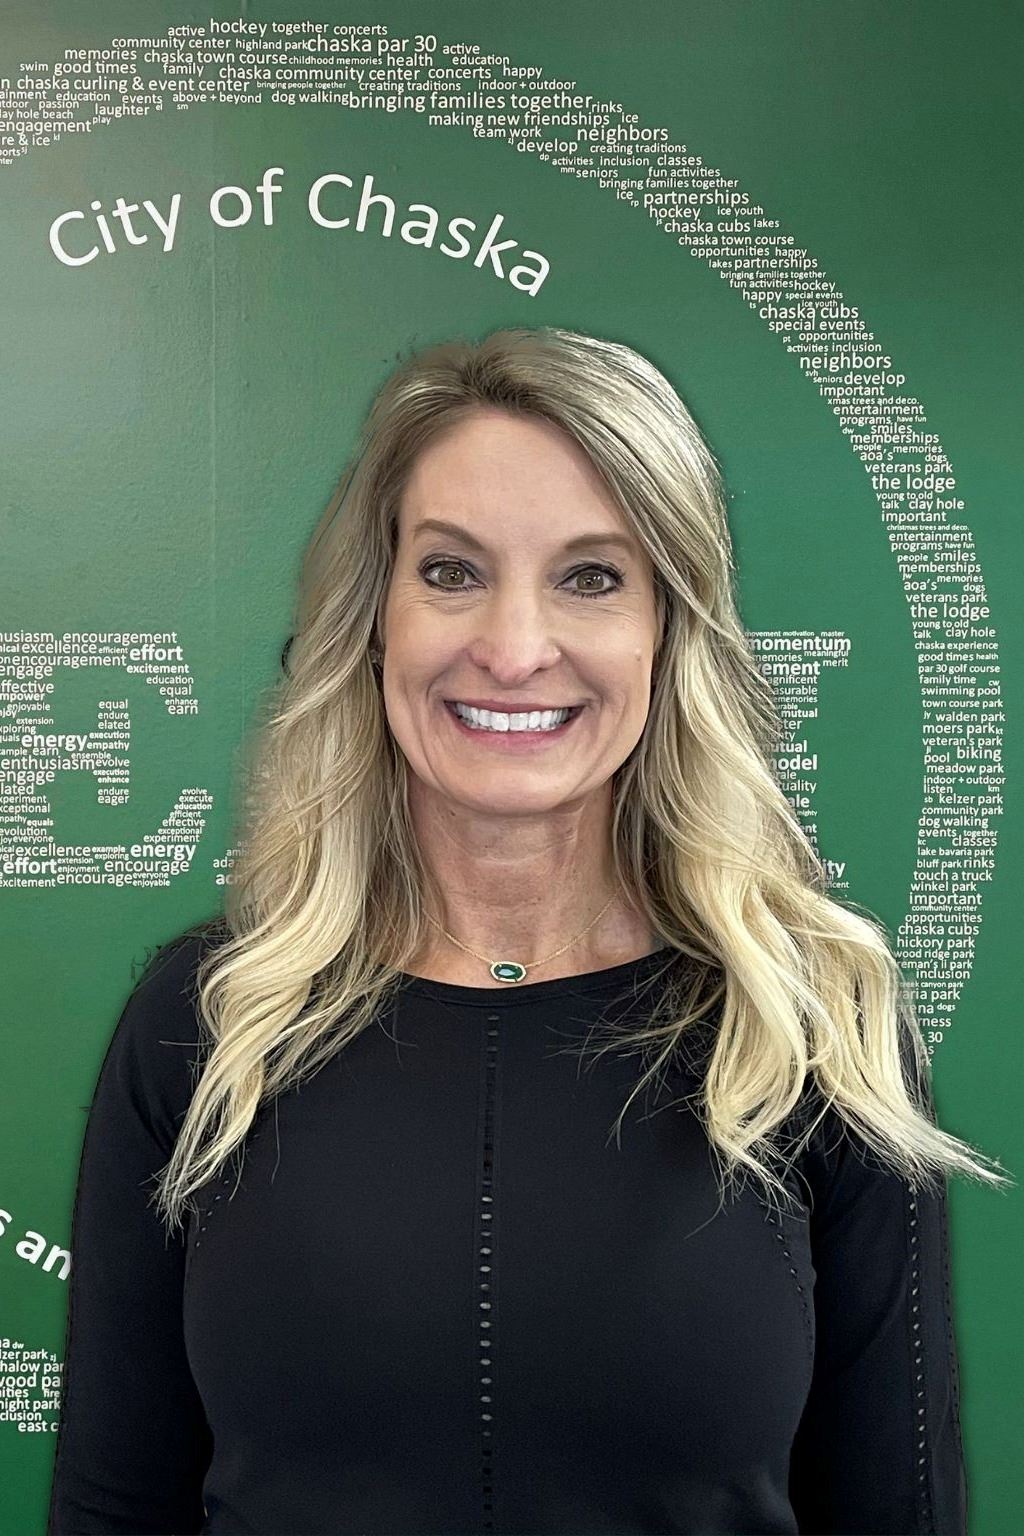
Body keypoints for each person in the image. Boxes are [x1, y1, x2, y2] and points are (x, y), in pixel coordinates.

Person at [48, 327, 1010, 1536]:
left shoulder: (810, 1022)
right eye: (451, 571)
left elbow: (900, 1509)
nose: (512, 649)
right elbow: (113, 1504)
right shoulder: (207, 1023)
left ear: (670, 633)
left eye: (592, 577)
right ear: (374, 618)